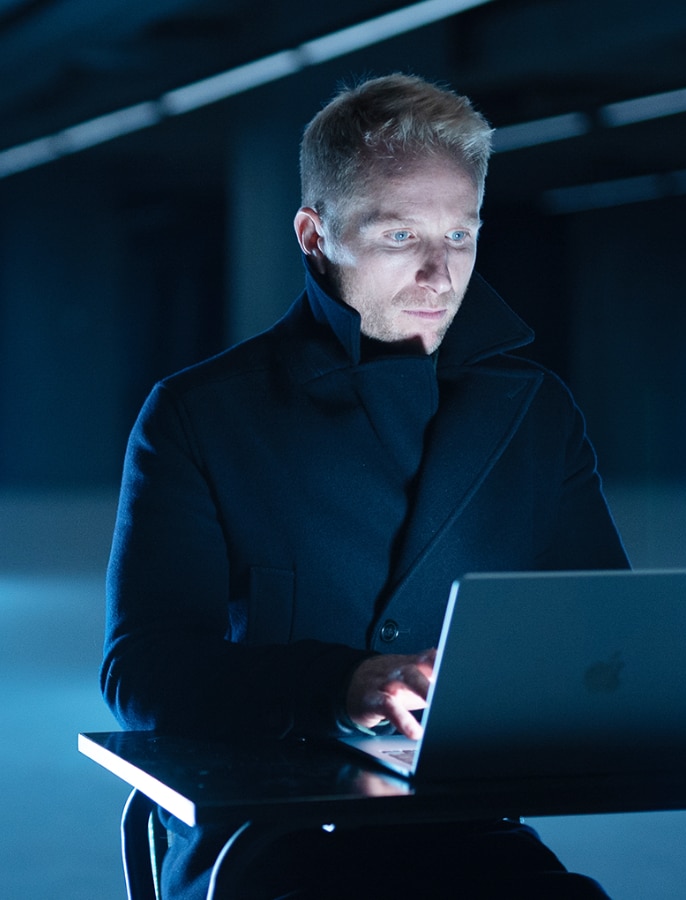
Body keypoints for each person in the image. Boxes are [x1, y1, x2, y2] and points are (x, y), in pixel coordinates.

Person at [101, 73, 629, 899]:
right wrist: (338, 687)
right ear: (316, 235)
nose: (438, 274)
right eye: (398, 237)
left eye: (460, 236)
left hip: (464, 827)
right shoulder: (202, 413)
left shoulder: (534, 409)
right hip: (265, 840)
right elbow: (143, 669)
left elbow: (607, 633)